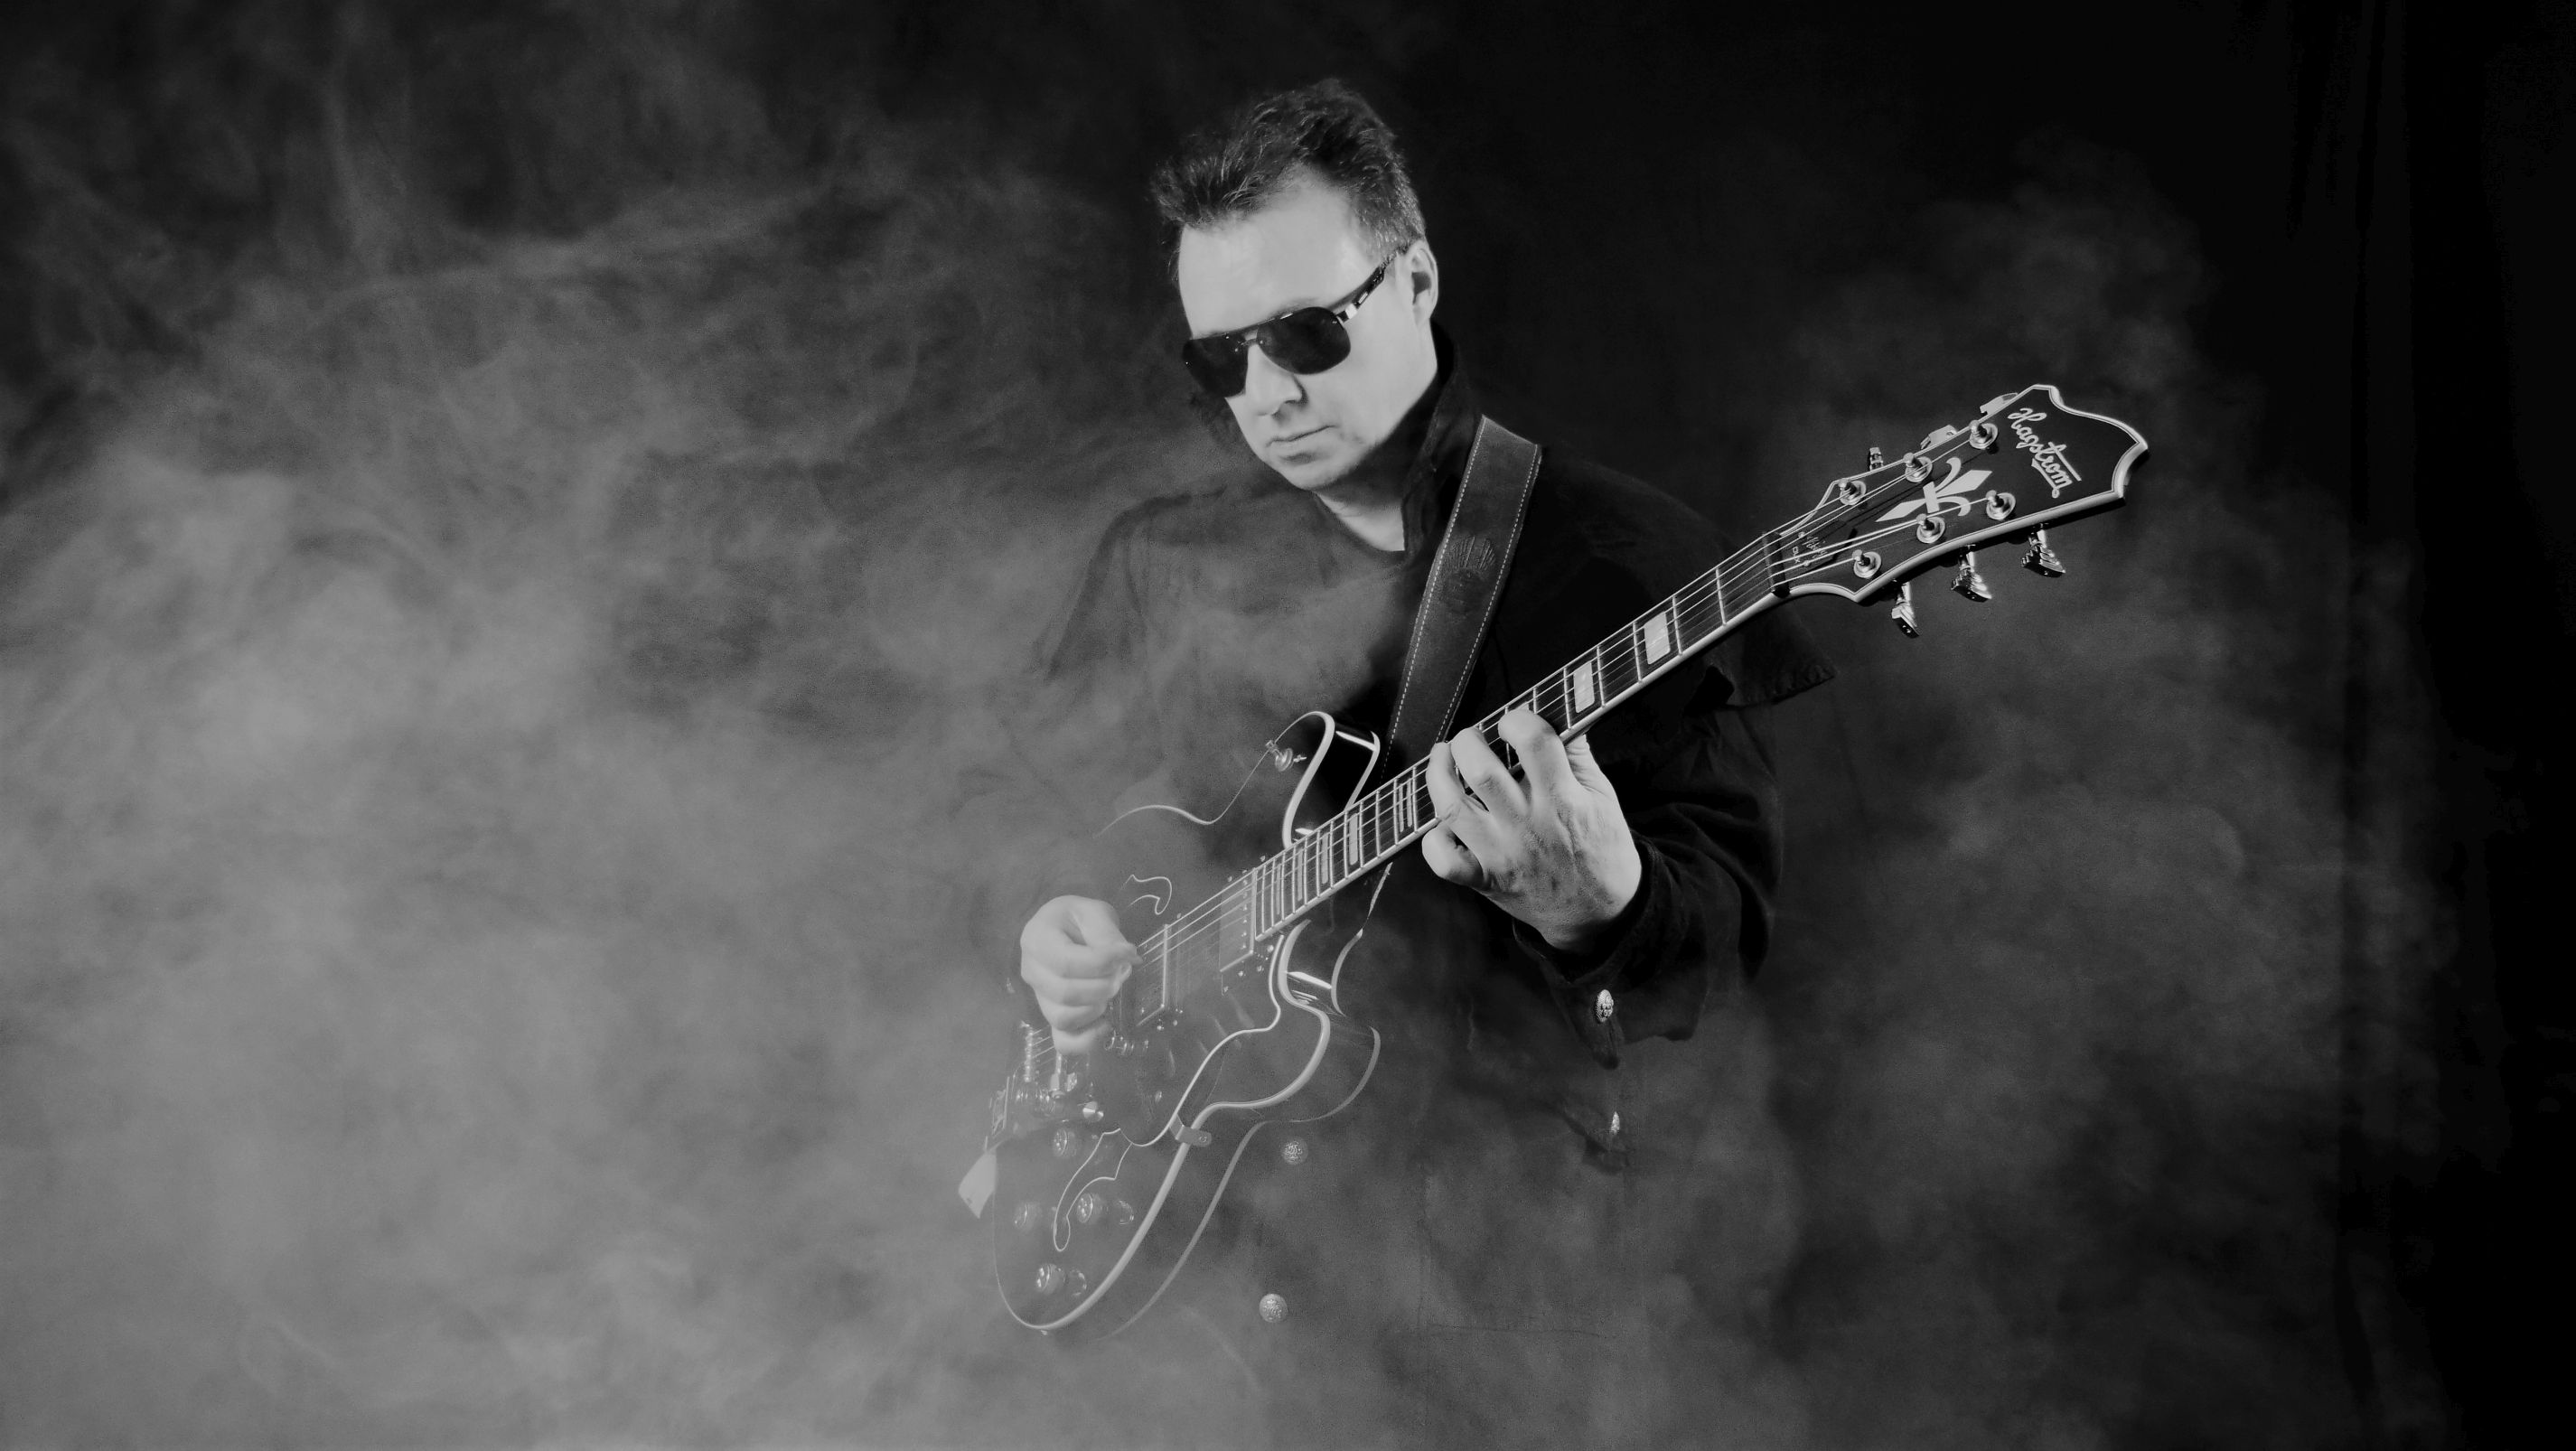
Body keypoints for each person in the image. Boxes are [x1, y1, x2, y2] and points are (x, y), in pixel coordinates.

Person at [1006, 80, 1834, 1448]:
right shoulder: (1163, 564)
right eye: (1222, 362)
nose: (1269, 395)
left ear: (1418, 280)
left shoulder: (1621, 566)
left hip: (1471, 1304)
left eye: (1307, 334)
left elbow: (1719, 957)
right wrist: (1053, 920)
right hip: (1180, 1258)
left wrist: (1601, 908)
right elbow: (1032, 816)